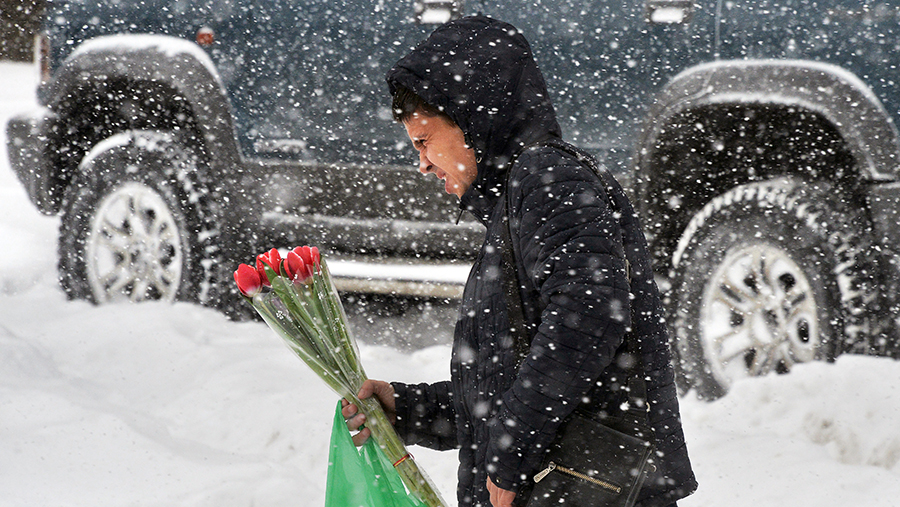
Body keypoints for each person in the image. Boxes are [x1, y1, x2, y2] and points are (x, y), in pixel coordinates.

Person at [341, 15, 697, 507]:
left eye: (424, 141)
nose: (421, 163)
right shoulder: (517, 201)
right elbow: (507, 384)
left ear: (470, 117)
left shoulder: (546, 177)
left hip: (587, 489)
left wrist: (512, 458)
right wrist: (410, 408)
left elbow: (588, 319)